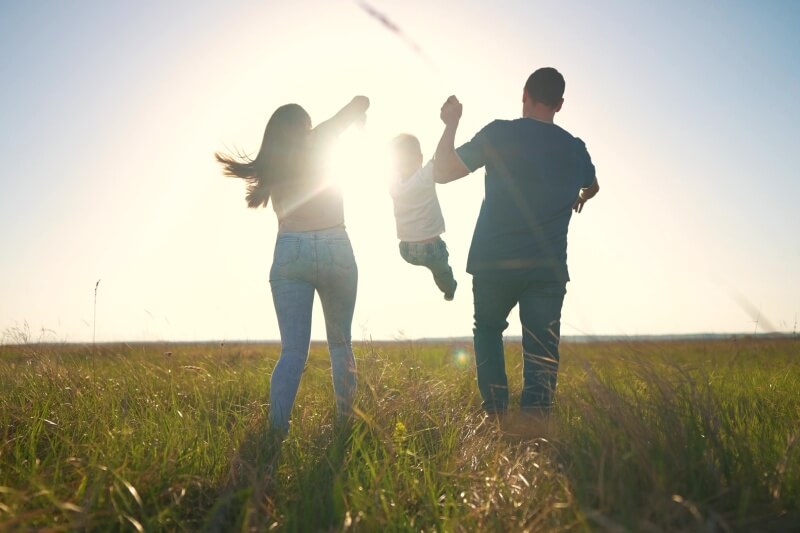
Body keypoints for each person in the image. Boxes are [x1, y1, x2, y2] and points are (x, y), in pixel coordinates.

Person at [433, 68, 599, 416]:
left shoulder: (500, 134)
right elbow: (593, 184)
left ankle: (495, 417)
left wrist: (451, 122)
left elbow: (442, 172)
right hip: (547, 270)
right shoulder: (575, 148)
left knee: (489, 331)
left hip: (494, 262)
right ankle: (535, 431)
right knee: (542, 349)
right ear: (560, 104)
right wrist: (580, 195)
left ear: (524, 94)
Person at [215, 96, 370, 435]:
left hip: (290, 249)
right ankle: (346, 425)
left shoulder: (272, 163)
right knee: (341, 343)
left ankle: (276, 431)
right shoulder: (321, 139)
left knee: (293, 351)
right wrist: (359, 116)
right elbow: (359, 102)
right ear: (305, 126)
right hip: (334, 244)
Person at [388, 134, 457, 301]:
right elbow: (440, 155)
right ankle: (449, 291)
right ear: (420, 158)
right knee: (443, 273)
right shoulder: (425, 176)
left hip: (406, 250)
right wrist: (449, 126)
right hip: (432, 249)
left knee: (437, 268)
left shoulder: (393, 184)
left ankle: (445, 284)